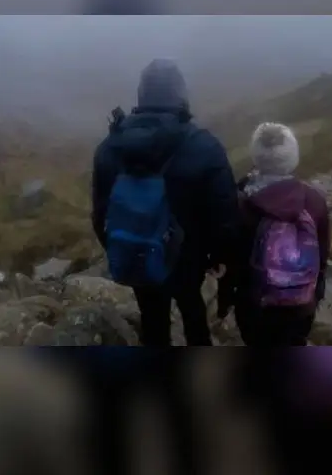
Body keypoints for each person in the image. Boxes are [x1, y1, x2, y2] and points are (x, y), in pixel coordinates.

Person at [91, 57, 240, 346]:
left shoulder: (109, 148)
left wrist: (118, 244)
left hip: (135, 251)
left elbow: (100, 212)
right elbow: (224, 211)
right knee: (192, 308)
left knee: (151, 317)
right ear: (180, 93)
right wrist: (220, 255)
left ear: (141, 94)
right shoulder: (204, 145)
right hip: (189, 256)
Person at [217, 122, 330, 346]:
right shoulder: (314, 201)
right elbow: (323, 253)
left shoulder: (242, 204)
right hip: (301, 303)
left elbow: (233, 260)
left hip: (256, 304)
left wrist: (225, 299)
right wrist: (316, 293)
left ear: (256, 156)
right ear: (293, 156)